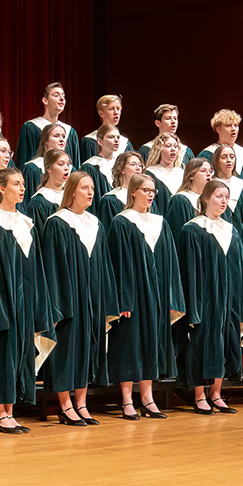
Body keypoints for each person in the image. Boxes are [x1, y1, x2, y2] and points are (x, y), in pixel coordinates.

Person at [0, 168, 48, 435]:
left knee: (20, 351)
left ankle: (11, 410)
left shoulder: (26, 223)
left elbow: (35, 267)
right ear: (1, 188)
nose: (22, 188)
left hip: (24, 301)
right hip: (1, 300)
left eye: (23, 184)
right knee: (2, 351)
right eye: (16, 184)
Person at [105, 174, 184, 420]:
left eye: (153, 191)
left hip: (157, 294)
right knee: (130, 344)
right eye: (145, 190)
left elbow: (170, 263)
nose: (150, 194)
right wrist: (124, 300)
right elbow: (119, 265)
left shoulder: (160, 222)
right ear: (133, 192)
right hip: (134, 296)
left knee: (151, 342)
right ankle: (127, 399)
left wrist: (171, 297)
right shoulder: (122, 222)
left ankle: (147, 397)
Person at [37, 170, 110, 427]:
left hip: (93, 297)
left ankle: (81, 401)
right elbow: (53, 266)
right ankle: (65, 404)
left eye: (92, 188)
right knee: (67, 349)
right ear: (72, 191)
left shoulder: (95, 222)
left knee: (88, 347)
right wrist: (59, 303)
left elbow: (104, 266)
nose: (90, 192)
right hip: (69, 298)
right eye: (84, 188)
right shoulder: (58, 222)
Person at [177, 179, 243, 415]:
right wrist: (194, 306)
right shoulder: (193, 229)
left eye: (226, 197)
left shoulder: (231, 230)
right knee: (201, 344)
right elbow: (189, 271)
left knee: (224, 341)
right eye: (219, 196)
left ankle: (217, 393)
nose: (223, 201)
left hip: (228, 298)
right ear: (206, 198)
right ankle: (199, 394)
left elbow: (240, 269)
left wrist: (241, 301)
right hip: (205, 299)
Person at [15, 81, 70, 167]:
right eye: (56, 95)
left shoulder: (69, 131)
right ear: (45, 100)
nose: (62, 98)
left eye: (63, 95)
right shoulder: (31, 128)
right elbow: (24, 160)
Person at [201, 109, 243, 183]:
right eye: (228, 125)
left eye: (235, 125)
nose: (233, 129)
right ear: (218, 129)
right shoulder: (206, 155)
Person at [23, 149, 73, 224]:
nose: (66, 168)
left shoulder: (72, 196)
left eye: (68, 164)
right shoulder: (38, 203)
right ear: (49, 169)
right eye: (61, 164)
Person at [20, 121, 71, 196]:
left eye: (63, 136)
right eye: (56, 136)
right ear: (45, 141)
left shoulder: (71, 169)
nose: (61, 139)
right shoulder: (33, 168)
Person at [79, 95, 131, 168]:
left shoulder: (125, 143)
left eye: (118, 109)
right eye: (111, 109)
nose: (116, 112)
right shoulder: (89, 141)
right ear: (101, 113)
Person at [206, 146, 243, 233]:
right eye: (224, 157)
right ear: (216, 160)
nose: (229, 160)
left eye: (232, 157)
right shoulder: (209, 185)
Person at [164, 157, 212, 233]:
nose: (208, 174)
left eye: (210, 171)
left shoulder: (210, 201)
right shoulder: (180, 200)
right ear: (191, 176)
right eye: (203, 171)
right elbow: (177, 231)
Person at [80, 124, 124, 195]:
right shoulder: (90, 166)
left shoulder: (121, 164)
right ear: (100, 141)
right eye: (111, 137)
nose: (116, 140)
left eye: (118, 137)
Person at [144, 133, 187, 198]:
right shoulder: (150, 173)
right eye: (168, 146)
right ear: (159, 149)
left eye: (175, 146)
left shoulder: (182, 173)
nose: (173, 149)